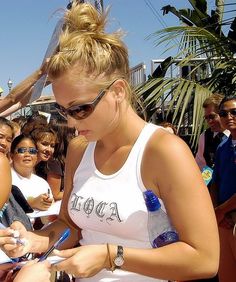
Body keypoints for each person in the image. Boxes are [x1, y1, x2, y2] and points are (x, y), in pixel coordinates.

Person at [1, 3, 219, 282]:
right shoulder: (80, 151)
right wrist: (33, 240)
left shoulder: (163, 151)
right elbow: (71, 226)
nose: (70, 122)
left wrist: (110, 255)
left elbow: (204, 258)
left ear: (118, 91)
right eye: (64, 111)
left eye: (80, 109)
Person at [210, 95, 236, 282]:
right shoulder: (222, 147)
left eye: (234, 112)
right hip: (223, 222)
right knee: (226, 275)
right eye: (223, 113)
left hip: (227, 215)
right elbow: (215, 182)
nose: (229, 116)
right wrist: (217, 214)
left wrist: (220, 211)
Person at [10, 134, 53, 211]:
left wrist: (48, 203)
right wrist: (32, 203)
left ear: (36, 156)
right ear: (12, 155)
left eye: (32, 151)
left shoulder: (42, 183)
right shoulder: (5, 179)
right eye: (22, 150)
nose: (27, 155)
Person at [195, 93, 230, 171]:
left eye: (212, 116)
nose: (209, 121)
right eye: (206, 118)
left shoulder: (233, 134)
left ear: (222, 113)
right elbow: (199, 165)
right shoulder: (204, 137)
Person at [47, 120, 76, 201]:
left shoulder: (64, 158)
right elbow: (55, 194)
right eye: (72, 134)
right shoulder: (54, 162)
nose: (74, 137)